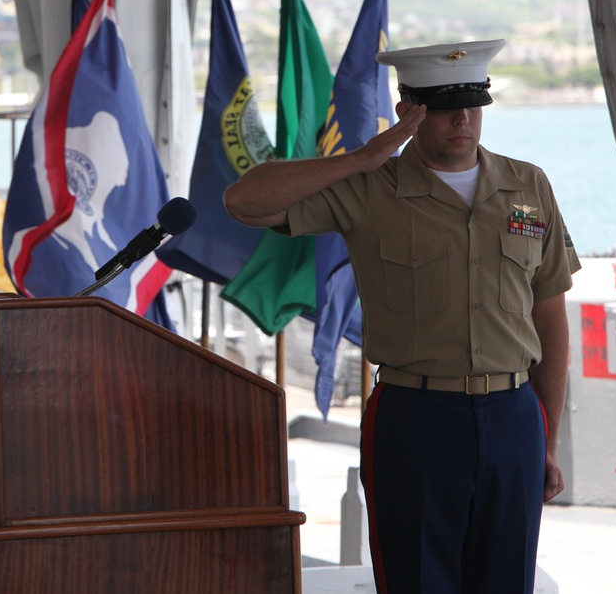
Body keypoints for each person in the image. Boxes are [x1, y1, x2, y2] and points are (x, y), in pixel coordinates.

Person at [223, 38, 580, 593]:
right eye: (442, 105)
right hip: (417, 418)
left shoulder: (527, 186)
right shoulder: (369, 189)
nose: (462, 118)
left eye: (473, 102)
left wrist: (547, 435)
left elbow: (550, 317)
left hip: (514, 416)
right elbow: (245, 202)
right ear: (409, 112)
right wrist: (363, 158)